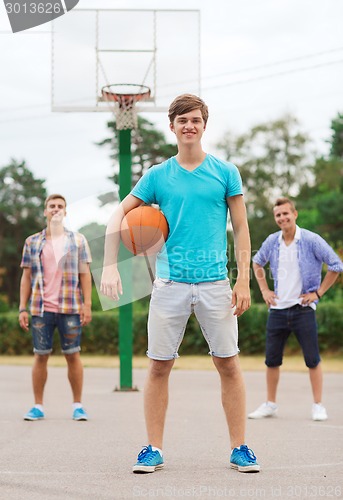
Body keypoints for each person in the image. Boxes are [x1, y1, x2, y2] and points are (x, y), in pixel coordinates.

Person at [101, 94, 260, 473]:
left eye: (196, 120)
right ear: (171, 126)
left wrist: (242, 281)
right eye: (182, 120)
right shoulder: (157, 175)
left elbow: (241, 228)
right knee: (158, 367)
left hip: (215, 284)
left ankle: (240, 448)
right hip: (169, 284)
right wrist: (110, 266)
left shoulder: (225, 172)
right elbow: (116, 215)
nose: (189, 125)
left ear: (204, 126)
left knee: (228, 364)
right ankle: (152, 448)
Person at [248, 197, 343, 421]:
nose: (282, 218)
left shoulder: (311, 240)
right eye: (278, 215)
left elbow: (336, 265)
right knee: (271, 360)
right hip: (278, 310)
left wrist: (318, 293)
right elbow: (256, 262)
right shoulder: (273, 241)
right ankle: (270, 404)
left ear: (295, 214)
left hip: (303, 309)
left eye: (285, 214)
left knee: (312, 359)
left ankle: (318, 405)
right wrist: (264, 291)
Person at [19, 194, 92, 421]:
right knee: (41, 355)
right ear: (45, 211)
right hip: (41, 309)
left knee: (73, 355)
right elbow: (26, 276)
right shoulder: (32, 242)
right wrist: (22, 307)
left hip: (70, 307)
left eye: (60, 206)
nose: (56, 209)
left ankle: (78, 406)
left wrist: (87, 304)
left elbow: (85, 274)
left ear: (66, 212)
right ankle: (38, 406)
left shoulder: (78, 241)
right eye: (52, 206)